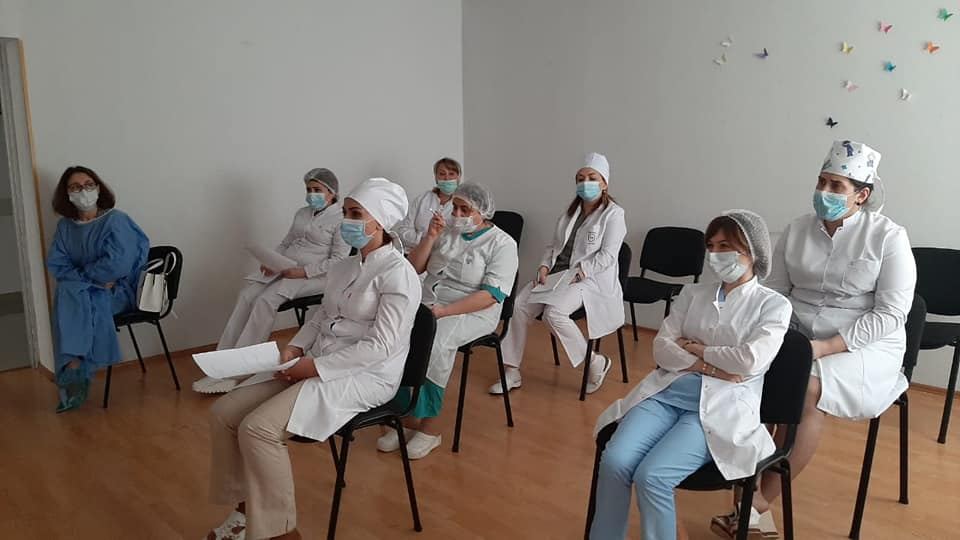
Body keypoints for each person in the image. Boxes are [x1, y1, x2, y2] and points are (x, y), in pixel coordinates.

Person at [711, 140, 917, 538]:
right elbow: (774, 293)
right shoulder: (797, 230)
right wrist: (769, 335)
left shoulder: (887, 237)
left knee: (805, 388)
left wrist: (823, 348)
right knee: (746, 371)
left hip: (864, 344)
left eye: (836, 186)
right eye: (822, 181)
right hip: (798, 332)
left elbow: (891, 314)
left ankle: (758, 502)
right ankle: (749, 480)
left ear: (862, 195)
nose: (824, 192)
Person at [204, 177, 420, 540]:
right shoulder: (344, 267)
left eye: (356, 214)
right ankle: (244, 511)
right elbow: (321, 317)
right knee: (224, 413)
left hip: (367, 375)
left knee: (258, 428)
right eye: (346, 212)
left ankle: (281, 532)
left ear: (380, 222)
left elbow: (380, 347)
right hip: (316, 360)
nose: (347, 221)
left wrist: (315, 367)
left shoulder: (399, 275)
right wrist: (296, 348)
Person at [590, 210, 791, 540]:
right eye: (711, 246)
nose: (715, 254)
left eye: (725, 246)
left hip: (715, 410)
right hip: (666, 395)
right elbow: (661, 348)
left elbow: (749, 360)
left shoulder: (773, 305)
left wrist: (695, 348)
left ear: (752, 251)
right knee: (615, 462)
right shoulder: (692, 293)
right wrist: (709, 365)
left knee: (653, 476)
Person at [376, 182, 518, 459]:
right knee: (396, 335)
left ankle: (429, 428)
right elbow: (414, 268)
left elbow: (491, 295)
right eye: (455, 208)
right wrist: (430, 237)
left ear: (483, 212)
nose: (457, 214)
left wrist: (444, 312)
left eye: (466, 209)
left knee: (435, 343)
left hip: (473, 310)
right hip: (430, 301)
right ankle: (403, 417)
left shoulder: (503, 244)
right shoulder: (446, 232)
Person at [193, 168, 350, 395]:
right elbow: (286, 242)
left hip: (317, 277)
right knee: (246, 295)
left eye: (317, 190)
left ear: (332, 192)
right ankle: (220, 365)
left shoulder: (342, 219)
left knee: (265, 300)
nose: (311, 194)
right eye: (308, 189)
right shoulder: (302, 213)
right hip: (286, 268)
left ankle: (241, 371)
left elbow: (339, 260)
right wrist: (272, 260)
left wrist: (303, 271)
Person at [489, 152, 625, 395]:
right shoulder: (569, 214)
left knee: (554, 313)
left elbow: (608, 256)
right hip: (557, 275)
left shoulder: (614, 214)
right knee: (519, 306)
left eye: (592, 178)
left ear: (604, 183)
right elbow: (553, 247)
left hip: (589, 279)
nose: (585, 183)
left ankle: (595, 363)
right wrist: (544, 266)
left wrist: (580, 272)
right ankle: (512, 370)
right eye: (580, 178)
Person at [47, 165, 150, 413]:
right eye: (75, 187)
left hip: (119, 292)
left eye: (88, 185)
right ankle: (76, 366)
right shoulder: (65, 227)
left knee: (72, 296)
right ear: (66, 194)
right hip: (87, 289)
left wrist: (83, 278)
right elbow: (58, 264)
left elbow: (118, 263)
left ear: (98, 188)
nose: (83, 191)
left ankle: (75, 370)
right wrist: (89, 280)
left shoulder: (116, 221)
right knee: (69, 292)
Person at [394, 157, 462, 251]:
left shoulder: (462, 205)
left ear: (458, 177)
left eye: (451, 174)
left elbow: (458, 239)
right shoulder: (422, 199)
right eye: (442, 174)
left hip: (444, 256)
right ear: (436, 177)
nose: (446, 178)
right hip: (414, 253)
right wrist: (427, 240)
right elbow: (403, 231)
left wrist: (429, 240)